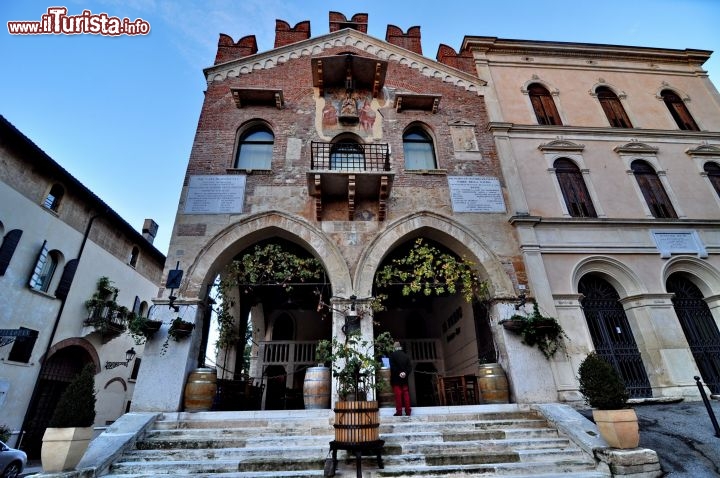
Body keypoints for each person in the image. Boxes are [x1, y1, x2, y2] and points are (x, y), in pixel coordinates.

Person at [389, 341, 412, 416]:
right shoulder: (406, 356)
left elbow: (393, 367)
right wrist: (405, 373)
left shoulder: (392, 355)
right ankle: (408, 411)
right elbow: (409, 367)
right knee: (406, 394)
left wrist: (399, 373)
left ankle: (399, 412)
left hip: (396, 379)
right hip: (404, 379)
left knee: (398, 395)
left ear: (394, 347)